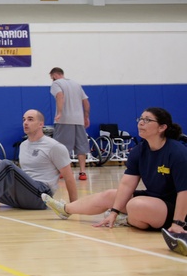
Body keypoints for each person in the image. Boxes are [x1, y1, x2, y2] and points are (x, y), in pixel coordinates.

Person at [41, 108, 187, 256]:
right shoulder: (139, 151)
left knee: (136, 205)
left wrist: (178, 223)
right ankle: (65, 209)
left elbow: (184, 191)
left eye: (147, 120)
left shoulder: (178, 153)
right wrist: (113, 212)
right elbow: (126, 184)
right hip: (155, 200)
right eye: (140, 119)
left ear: (162, 127)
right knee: (111, 195)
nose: (141, 123)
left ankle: (130, 219)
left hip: (177, 208)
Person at [49, 67, 90, 180]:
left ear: (54, 75)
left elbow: (60, 96)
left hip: (64, 120)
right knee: (81, 146)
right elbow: (86, 102)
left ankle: (64, 172)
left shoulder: (56, 83)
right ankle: (82, 172)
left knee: (62, 147)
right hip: (79, 120)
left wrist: (60, 112)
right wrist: (86, 117)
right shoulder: (76, 84)